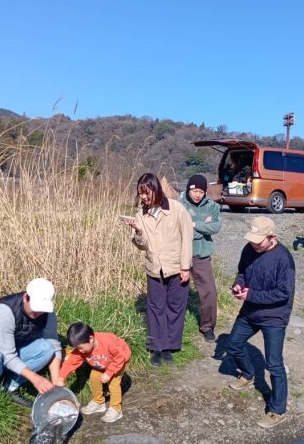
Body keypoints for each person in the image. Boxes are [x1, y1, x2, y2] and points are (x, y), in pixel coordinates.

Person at [226, 216, 296, 429]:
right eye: (252, 239)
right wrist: (239, 285)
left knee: (274, 364)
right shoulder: (249, 249)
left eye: (259, 241)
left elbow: (283, 293)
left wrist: (251, 295)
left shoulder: (284, 259)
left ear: (272, 236)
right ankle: (248, 374)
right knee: (233, 344)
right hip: (250, 311)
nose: (254, 244)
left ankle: (277, 410)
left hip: (274, 317)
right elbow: (242, 272)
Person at [123, 173, 193, 366]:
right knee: (155, 308)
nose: (143, 197)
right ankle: (157, 347)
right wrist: (138, 231)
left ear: (156, 190)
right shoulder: (140, 215)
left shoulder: (176, 209)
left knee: (175, 306)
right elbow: (142, 245)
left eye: (146, 193)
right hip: (154, 267)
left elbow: (187, 237)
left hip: (177, 266)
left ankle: (170, 346)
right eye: (141, 193)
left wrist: (185, 266)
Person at [0, 278, 61, 407]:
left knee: (47, 348)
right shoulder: (4, 311)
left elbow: (55, 345)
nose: (38, 313)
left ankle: (10, 387)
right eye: (36, 308)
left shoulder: (47, 313)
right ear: (25, 298)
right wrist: (35, 378)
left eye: (42, 309)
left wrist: (57, 381)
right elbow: (7, 355)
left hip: (7, 354)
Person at [55, 322, 131, 424]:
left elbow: (120, 357)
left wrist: (109, 373)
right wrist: (61, 377)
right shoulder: (82, 348)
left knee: (113, 383)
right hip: (102, 363)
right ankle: (99, 402)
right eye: (77, 348)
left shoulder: (108, 342)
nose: (80, 351)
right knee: (94, 376)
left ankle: (116, 409)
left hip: (117, 362)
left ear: (91, 339)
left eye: (80, 348)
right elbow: (71, 362)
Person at [179, 174, 222, 342]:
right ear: (188, 190)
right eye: (194, 191)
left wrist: (195, 225)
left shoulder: (212, 206)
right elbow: (177, 229)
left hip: (201, 255)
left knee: (209, 291)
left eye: (201, 191)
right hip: (179, 254)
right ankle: (175, 326)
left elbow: (216, 226)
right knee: (176, 292)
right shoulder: (179, 204)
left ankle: (208, 326)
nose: (197, 195)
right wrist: (203, 229)